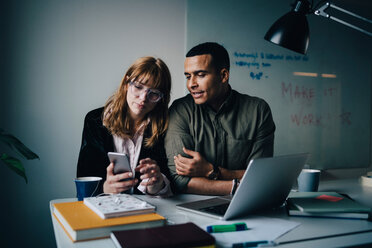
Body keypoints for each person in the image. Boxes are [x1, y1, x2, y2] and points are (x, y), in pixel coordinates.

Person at [164, 42, 276, 195]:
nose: (191, 84)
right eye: (188, 76)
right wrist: (236, 185)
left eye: (201, 75)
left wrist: (211, 171)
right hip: (193, 207)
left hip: (248, 203)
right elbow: (180, 180)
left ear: (223, 75)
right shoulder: (180, 110)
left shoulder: (258, 111)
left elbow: (261, 175)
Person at [77, 56, 173, 197]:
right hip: (103, 207)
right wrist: (105, 188)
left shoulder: (163, 126)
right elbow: (85, 179)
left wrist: (157, 185)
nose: (143, 98)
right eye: (138, 87)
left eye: (154, 94)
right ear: (126, 83)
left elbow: (169, 181)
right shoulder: (95, 120)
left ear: (161, 98)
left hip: (146, 209)